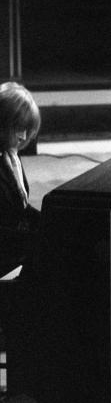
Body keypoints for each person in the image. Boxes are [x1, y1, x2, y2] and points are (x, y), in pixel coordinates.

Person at [0, 81, 42, 279]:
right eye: (18, 128)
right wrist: (34, 240)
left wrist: (53, 222)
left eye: (27, 128)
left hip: (14, 245)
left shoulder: (9, 156)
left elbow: (21, 209)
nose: (24, 136)